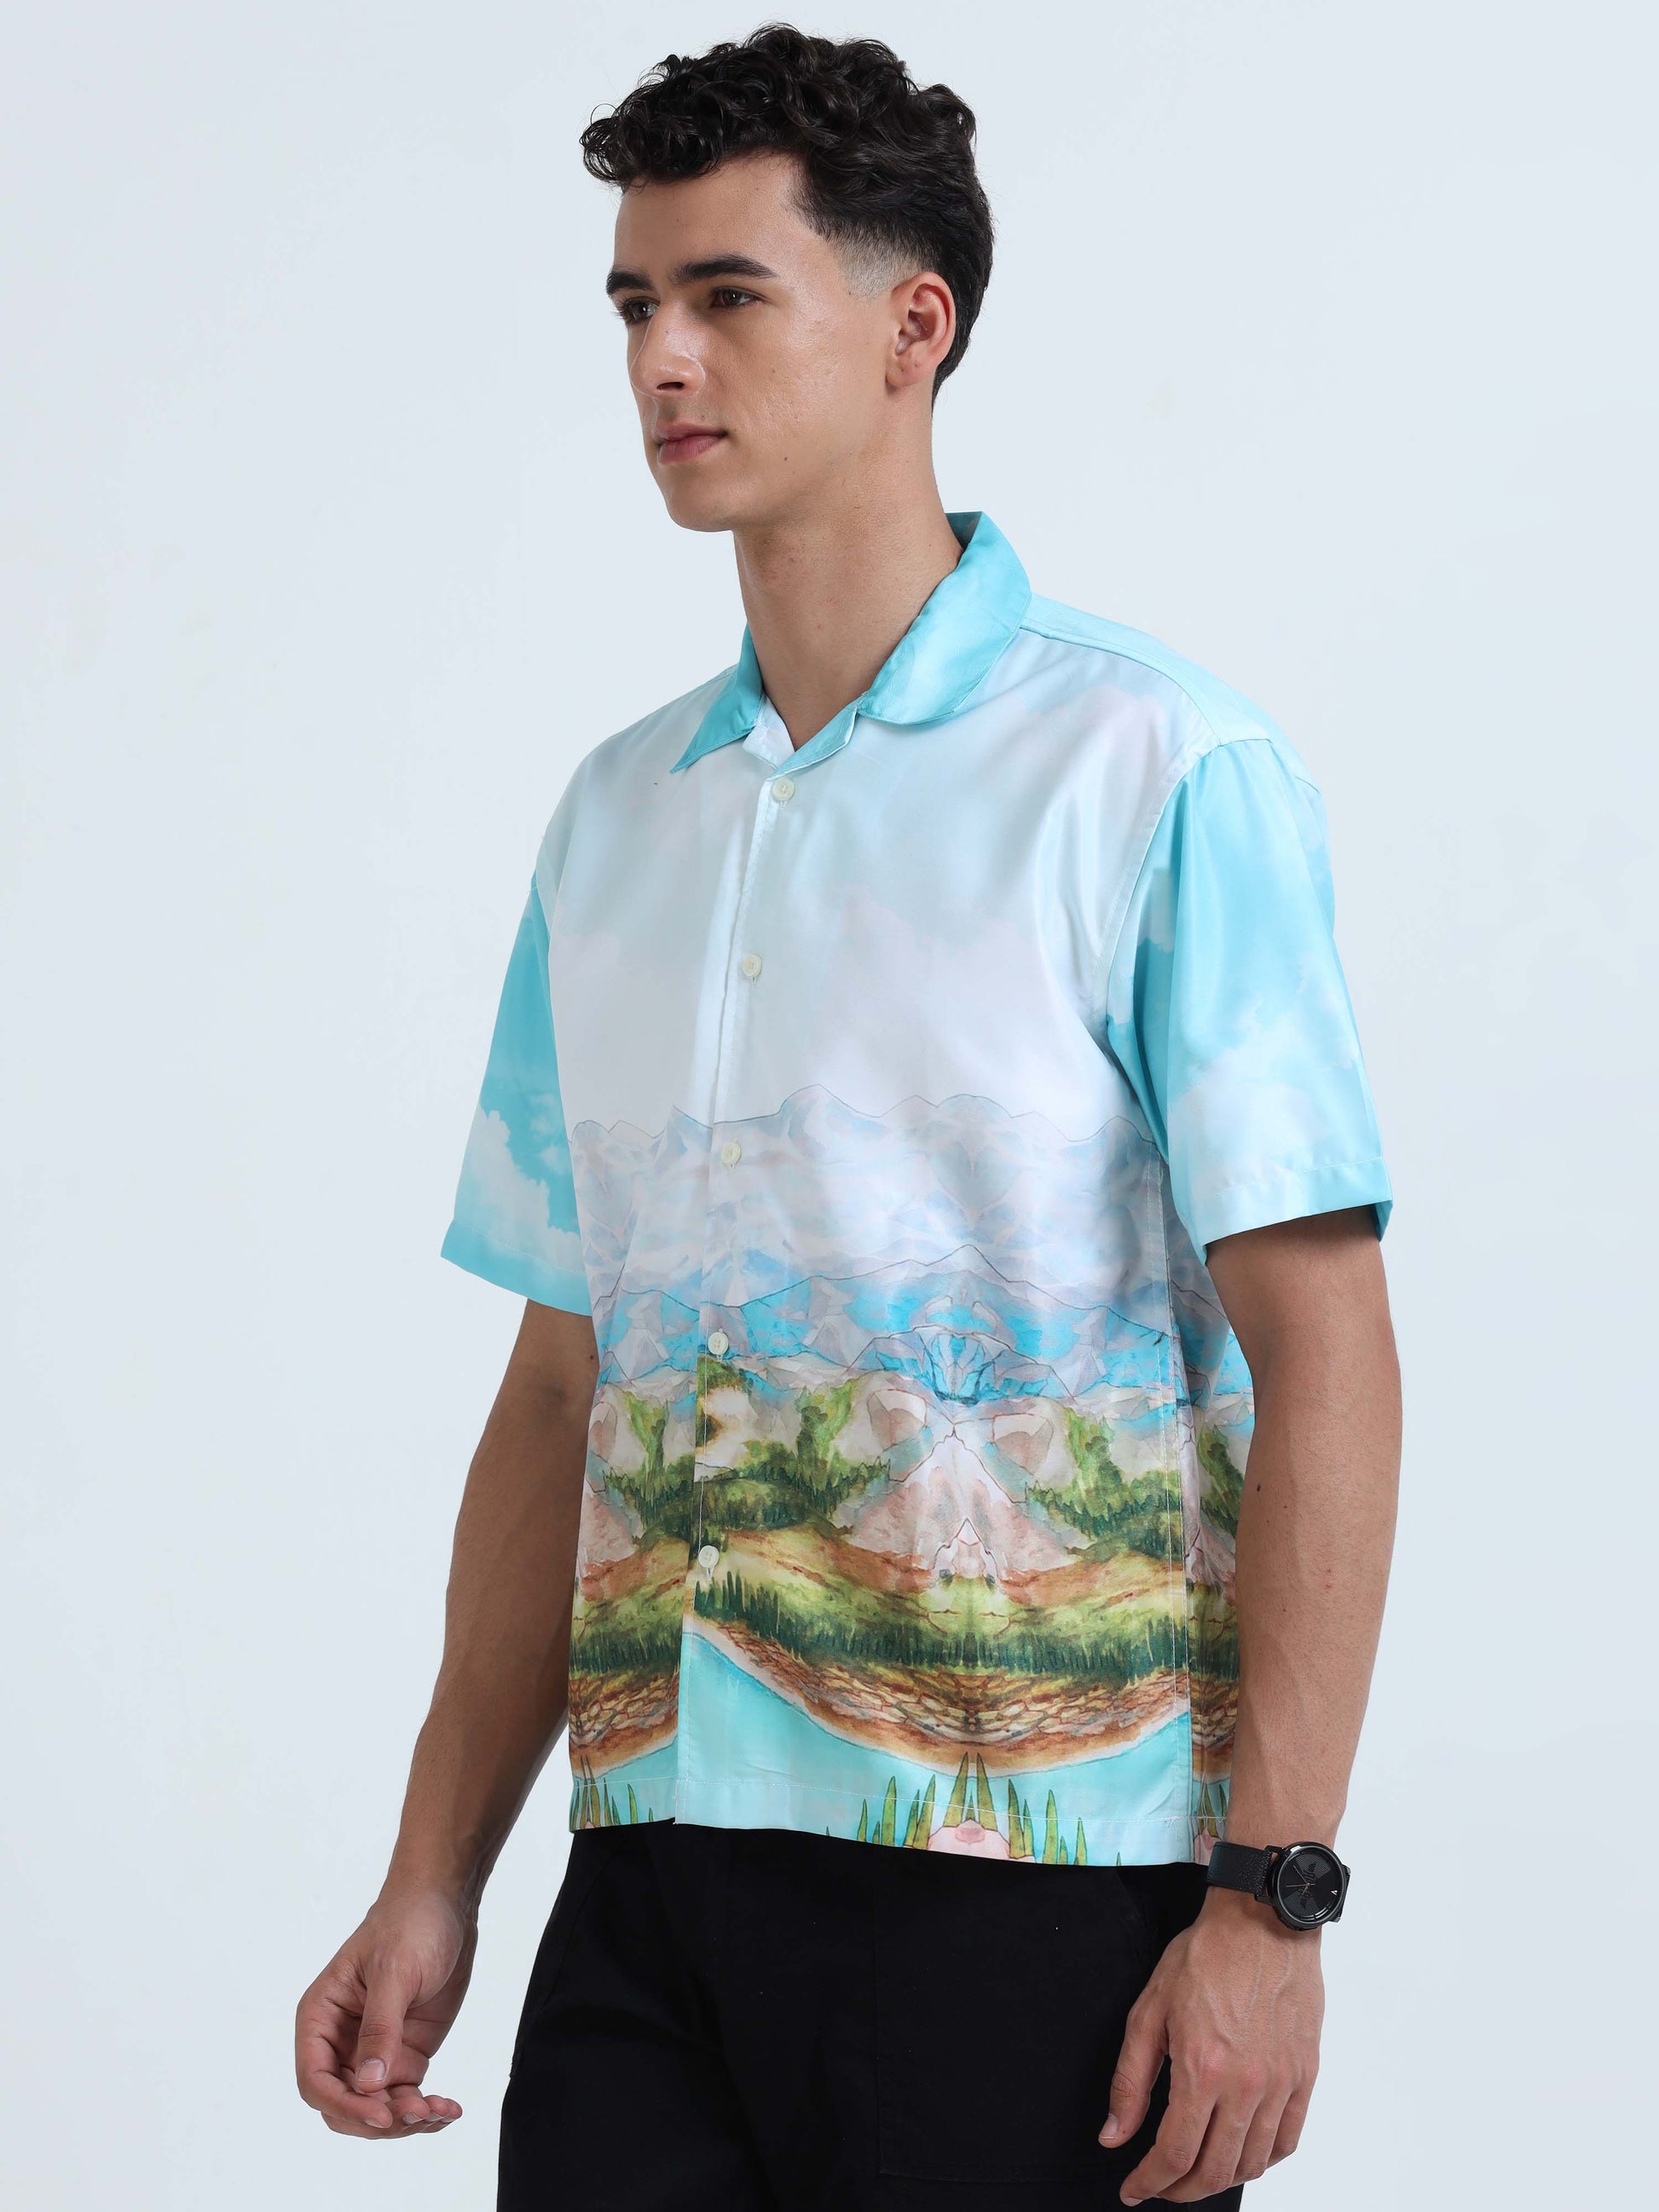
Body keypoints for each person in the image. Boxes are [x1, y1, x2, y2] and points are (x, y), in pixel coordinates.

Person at [293, 25, 1401, 2209]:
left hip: (1031, 1882)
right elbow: (559, 1383)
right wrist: (435, 1869)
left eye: (727, 295)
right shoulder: (618, 818)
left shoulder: (1155, 771)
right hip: (649, 1871)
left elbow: (1330, 1350)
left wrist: (1272, 1896)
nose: (661, 359)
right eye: (635, 301)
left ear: (916, 327)